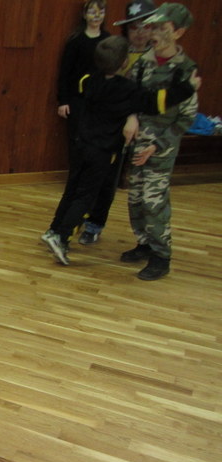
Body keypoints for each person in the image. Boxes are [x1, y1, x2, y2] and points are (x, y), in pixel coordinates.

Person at [41, 35, 200, 265]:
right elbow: (156, 101)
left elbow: (88, 87)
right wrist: (188, 87)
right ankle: (61, 237)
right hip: (102, 152)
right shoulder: (126, 90)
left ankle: (54, 228)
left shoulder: (88, 80)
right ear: (125, 62)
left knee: (73, 189)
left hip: (81, 145)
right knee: (86, 198)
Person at [120, 2, 198, 280]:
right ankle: (144, 243)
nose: (152, 33)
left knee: (154, 202)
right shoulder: (143, 62)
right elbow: (131, 97)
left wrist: (158, 145)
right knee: (135, 198)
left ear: (178, 32)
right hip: (137, 142)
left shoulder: (185, 70)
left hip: (161, 149)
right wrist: (131, 117)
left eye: (161, 27)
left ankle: (161, 256)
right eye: (151, 26)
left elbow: (186, 118)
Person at [79, 0, 158, 245]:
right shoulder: (116, 51)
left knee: (143, 186)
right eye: (134, 27)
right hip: (111, 129)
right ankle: (92, 223)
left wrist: (135, 116)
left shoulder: (158, 58)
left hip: (147, 129)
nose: (140, 33)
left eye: (146, 27)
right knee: (103, 179)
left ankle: (148, 240)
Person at [56, 0, 111, 145]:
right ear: (85, 15)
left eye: (101, 12)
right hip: (78, 100)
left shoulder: (108, 40)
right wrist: (63, 101)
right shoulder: (76, 41)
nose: (97, 16)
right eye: (92, 12)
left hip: (100, 100)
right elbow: (65, 72)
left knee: (96, 140)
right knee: (77, 139)